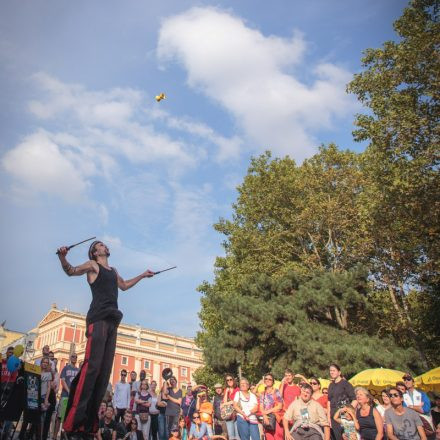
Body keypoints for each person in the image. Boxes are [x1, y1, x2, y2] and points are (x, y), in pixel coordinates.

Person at [57, 240, 154, 436]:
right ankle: (73, 423)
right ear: (94, 252)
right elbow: (71, 271)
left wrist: (143, 275)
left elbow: (124, 285)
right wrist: (62, 256)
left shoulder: (113, 270)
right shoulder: (93, 265)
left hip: (112, 322)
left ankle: (89, 425)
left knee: (103, 373)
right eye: (100, 245)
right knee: (91, 368)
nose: (104, 246)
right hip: (98, 320)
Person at [54, 353, 80, 440]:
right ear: (70, 358)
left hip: (73, 398)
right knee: (59, 416)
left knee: (68, 418)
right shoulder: (66, 368)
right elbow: (63, 381)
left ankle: (64, 437)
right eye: (73, 356)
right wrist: (69, 391)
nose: (74, 358)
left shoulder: (78, 370)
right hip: (65, 396)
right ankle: (54, 436)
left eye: (76, 357)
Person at [327, 364, 356, 440]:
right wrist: (328, 418)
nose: (331, 372)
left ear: (339, 372)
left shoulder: (346, 384)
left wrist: (349, 412)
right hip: (334, 417)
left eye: (334, 370)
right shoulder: (330, 385)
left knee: (348, 438)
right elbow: (329, 402)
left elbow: (354, 400)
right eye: (330, 371)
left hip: (344, 417)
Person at [259, 373, 283, 440]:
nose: (268, 380)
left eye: (270, 379)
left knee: (278, 437)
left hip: (276, 418)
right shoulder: (262, 393)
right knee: (269, 438)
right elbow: (261, 407)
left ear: (273, 381)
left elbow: (280, 406)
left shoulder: (277, 391)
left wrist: (267, 412)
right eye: (266, 379)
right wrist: (264, 416)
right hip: (267, 419)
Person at [40, 356, 54, 440]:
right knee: (32, 418)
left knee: (42, 419)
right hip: (34, 396)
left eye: (46, 362)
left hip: (43, 397)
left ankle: (40, 437)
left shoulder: (48, 374)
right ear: (41, 363)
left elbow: (49, 387)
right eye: (43, 362)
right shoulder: (36, 371)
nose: (44, 364)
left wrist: (46, 399)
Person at [223, 374, 239, 440]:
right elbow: (224, 402)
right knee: (231, 436)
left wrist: (227, 403)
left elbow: (236, 401)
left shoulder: (237, 389)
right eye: (227, 380)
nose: (229, 381)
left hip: (237, 414)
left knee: (238, 436)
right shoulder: (226, 390)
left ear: (233, 380)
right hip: (229, 414)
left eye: (230, 379)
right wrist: (226, 392)